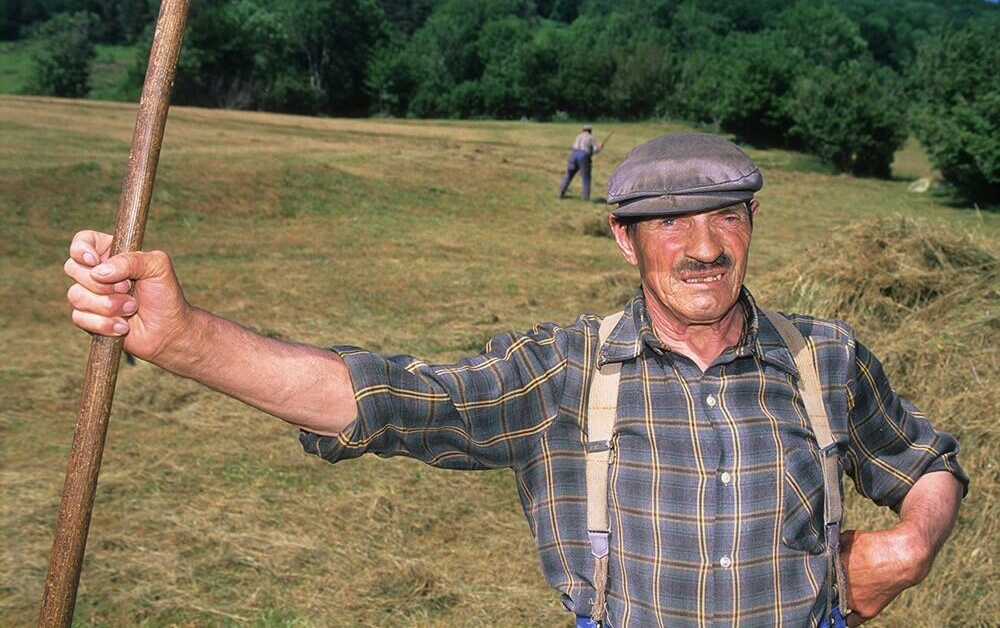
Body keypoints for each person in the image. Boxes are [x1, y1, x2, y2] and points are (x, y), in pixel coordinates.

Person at [65, 133, 967, 627]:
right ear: (623, 238)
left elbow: (926, 460)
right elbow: (392, 398)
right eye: (669, 223)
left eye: (725, 216)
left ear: (753, 219)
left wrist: (910, 547)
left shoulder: (825, 357)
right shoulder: (565, 373)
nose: (702, 247)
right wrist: (186, 340)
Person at [559, 125, 602, 201]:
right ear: (590, 131)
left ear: (582, 130)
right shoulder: (591, 138)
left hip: (573, 155)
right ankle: (585, 198)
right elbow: (595, 150)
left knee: (569, 174)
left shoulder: (578, 136)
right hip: (583, 156)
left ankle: (561, 191)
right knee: (586, 177)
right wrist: (600, 147)